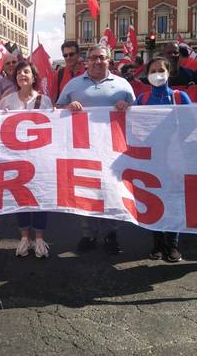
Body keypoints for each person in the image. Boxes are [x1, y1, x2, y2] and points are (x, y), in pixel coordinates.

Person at [56, 43, 135, 254]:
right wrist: (68, 107)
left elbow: (138, 115)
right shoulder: (73, 85)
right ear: (87, 61)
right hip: (83, 149)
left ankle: (111, 234)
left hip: (113, 149)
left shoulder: (123, 85)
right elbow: (56, 111)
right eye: (94, 58)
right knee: (86, 191)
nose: (98, 61)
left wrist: (127, 107)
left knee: (112, 192)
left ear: (109, 60)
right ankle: (88, 234)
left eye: (102, 57)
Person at [133, 57, 192, 262]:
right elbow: (130, 126)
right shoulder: (142, 100)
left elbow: (191, 126)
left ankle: (172, 243)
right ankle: (157, 242)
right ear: (147, 75)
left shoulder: (180, 97)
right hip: (151, 159)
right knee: (154, 200)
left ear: (169, 73)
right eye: (153, 70)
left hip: (175, 159)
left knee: (174, 200)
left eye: (161, 70)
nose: (157, 74)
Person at [0, 61, 53, 258]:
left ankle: (39, 239)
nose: (22, 74)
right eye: (19, 72)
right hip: (15, 158)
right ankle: (24, 238)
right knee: (20, 197)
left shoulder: (45, 101)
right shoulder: (7, 101)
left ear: (33, 77)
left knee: (39, 198)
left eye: (27, 71)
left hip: (39, 159)